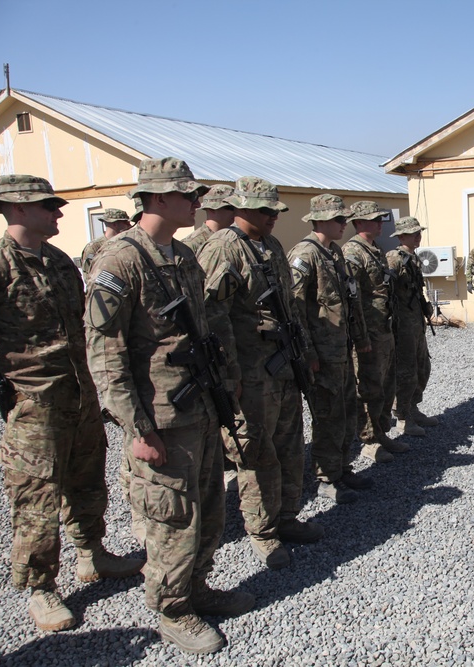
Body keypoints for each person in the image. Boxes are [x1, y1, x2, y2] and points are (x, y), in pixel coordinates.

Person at [85, 158, 253, 654]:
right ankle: (172, 608)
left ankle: (197, 587)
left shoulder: (181, 255)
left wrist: (226, 381)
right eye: (186, 195)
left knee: (209, 505)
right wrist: (138, 429)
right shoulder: (120, 260)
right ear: (157, 198)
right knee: (171, 517)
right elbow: (104, 352)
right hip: (160, 417)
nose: (195, 203)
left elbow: (204, 327)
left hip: (198, 406)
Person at [0, 175, 143, 633]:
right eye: (46, 206)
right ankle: (41, 589)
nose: (57, 213)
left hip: (82, 392)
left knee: (87, 478)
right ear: (16, 209)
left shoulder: (58, 261)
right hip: (35, 402)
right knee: (36, 496)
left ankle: (91, 554)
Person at [199, 176, 324, 569]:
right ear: (241, 208)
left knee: (288, 445)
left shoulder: (270, 246)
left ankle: (286, 517)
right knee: (255, 453)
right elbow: (211, 317)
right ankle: (263, 533)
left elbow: (287, 306)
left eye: (275, 211)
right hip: (249, 373)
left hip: (282, 365)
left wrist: (303, 352)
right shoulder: (222, 249)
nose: (273, 217)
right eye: (266, 210)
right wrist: (229, 374)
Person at [288, 194, 371, 504]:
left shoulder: (334, 253)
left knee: (348, 410)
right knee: (328, 414)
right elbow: (294, 308)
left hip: (341, 348)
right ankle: (326, 476)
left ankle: (342, 466)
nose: (343, 224)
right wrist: (307, 352)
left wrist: (359, 336)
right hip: (321, 355)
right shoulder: (305, 254)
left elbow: (349, 300)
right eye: (339, 219)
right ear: (320, 219)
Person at [343, 201, 408, 462]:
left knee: (385, 385)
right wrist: (360, 335)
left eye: (382, 218)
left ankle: (381, 432)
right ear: (359, 223)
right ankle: (368, 440)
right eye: (375, 219)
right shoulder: (352, 252)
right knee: (368, 387)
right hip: (368, 332)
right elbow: (352, 297)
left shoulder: (375, 249)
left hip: (384, 328)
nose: (381, 223)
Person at [386, 216, 439, 436]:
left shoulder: (413, 258)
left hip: (416, 322)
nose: (418, 236)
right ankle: (402, 417)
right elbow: (385, 292)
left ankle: (413, 407)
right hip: (402, 324)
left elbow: (415, 289)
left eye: (419, 232)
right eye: (413, 233)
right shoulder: (393, 259)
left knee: (422, 368)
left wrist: (425, 305)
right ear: (401, 236)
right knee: (405, 371)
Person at [182, 184, 234, 254]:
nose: (236, 213)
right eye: (231, 208)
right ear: (212, 209)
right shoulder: (190, 246)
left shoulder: (234, 239)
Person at [81, 208, 133, 275]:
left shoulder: (125, 243)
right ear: (115, 224)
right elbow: (88, 273)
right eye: (126, 223)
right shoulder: (94, 247)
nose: (129, 225)